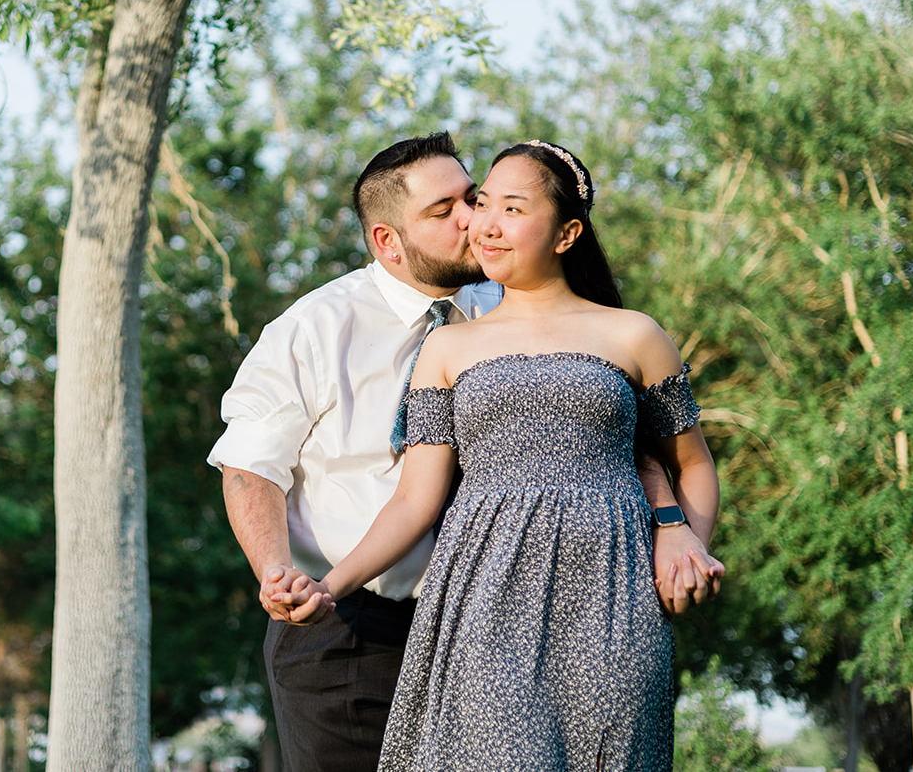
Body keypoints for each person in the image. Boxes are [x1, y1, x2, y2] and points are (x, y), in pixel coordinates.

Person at [208, 134, 722, 771]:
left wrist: (676, 530)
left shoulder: (520, 298)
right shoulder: (317, 326)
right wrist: (291, 580)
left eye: (473, 199)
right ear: (388, 241)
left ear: (565, 234)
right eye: (445, 210)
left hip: (533, 608)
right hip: (355, 627)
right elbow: (253, 467)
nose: (474, 221)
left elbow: (632, 443)